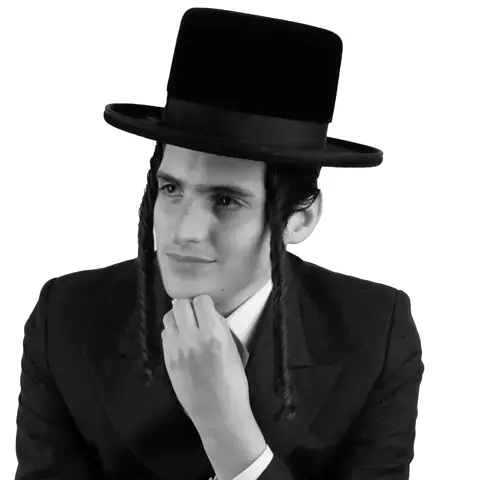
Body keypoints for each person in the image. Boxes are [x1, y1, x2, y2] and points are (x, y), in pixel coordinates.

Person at [15, 7, 424, 480]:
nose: (185, 230)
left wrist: (228, 430)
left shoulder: (375, 335)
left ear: (300, 219)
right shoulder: (67, 317)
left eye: (226, 200)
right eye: (171, 189)